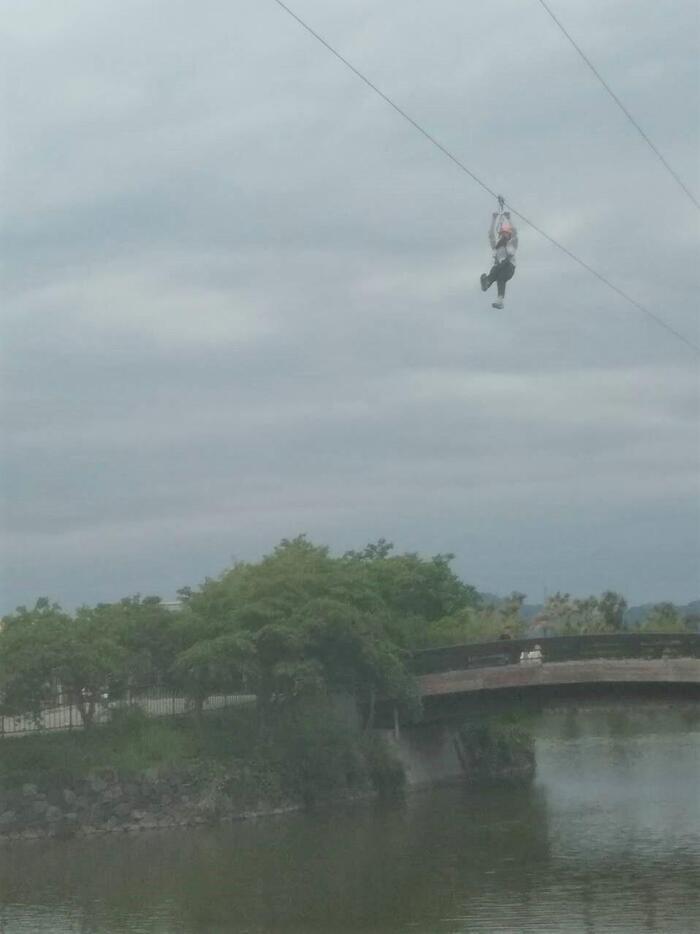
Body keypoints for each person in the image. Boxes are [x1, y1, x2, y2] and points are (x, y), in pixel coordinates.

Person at [480, 210, 518, 309]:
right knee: (495, 270)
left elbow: (514, 232)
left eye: (505, 234)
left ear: (508, 235)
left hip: (508, 267)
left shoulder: (511, 243)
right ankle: (488, 283)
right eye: (502, 234)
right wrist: (493, 219)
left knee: (501, 275)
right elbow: (491, 235)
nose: (503, 236)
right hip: (499, 267)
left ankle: (490, 284)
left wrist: (509, 219)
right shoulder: (497, 245)